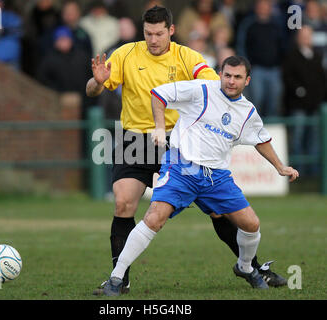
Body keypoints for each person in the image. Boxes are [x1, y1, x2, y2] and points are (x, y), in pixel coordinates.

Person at [86, 6, 287, 295]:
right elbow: (93, 90)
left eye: (158, 34)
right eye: (147, 34)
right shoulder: (126, 53)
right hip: (135, 139)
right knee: (123, 204)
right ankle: (120, 279)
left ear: (171, 31)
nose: (152, 40)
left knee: (219, 212)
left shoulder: (186, 56)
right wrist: (98, 80)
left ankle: (252, 267)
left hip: (178, 142)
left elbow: (214, 85)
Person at [282, 25, 326, 175]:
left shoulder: (317, 56)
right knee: (297, 139)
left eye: (308, 36)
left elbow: (322, 80)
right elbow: (288, 80)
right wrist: (299, 91)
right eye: (303, 36)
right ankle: (297, 173)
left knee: (314, 140)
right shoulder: (291, 56)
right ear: (298, 38)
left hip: (314, 106)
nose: (306, 39)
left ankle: (312, 175)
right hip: (298, 106)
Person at [236, 0, 286, 117]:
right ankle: (255, 130)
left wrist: (281, 64)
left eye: (266, 5)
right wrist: (246, 67)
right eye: (261, 5)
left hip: (275, 70)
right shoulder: (248, 24)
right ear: (256, 8)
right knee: (256, 100)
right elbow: (241, 46)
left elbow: (282, 46)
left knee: (274, 102)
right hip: (256, 70)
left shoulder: (276, 25)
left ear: (270, 8)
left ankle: (271, 133)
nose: (263, 8)